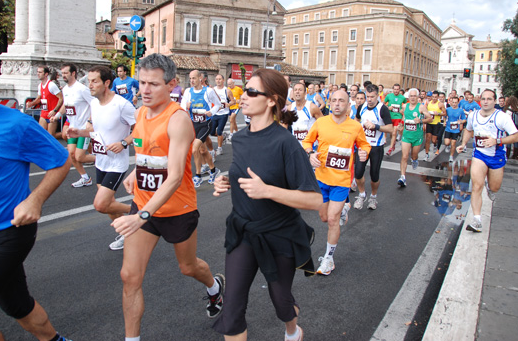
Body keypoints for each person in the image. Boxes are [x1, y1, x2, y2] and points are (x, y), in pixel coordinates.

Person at [0, 37, 72, 341]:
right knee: (16, 304)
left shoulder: (14, 124)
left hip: (10, 231)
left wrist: (35, 199)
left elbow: (60, 161)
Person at [111, 54, 225, 340]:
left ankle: (214, 286)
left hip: (176, 209)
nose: (145, 90)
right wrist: (136, 173)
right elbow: (148, 153)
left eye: (153, 84)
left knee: (188, 267)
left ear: (172, 84)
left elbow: (174, 176)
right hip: (144, 207)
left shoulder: (178, 120)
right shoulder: (140, 113)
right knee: (129, 277)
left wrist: (141, 215)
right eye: (142, 83)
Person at [211, 69, 321, 341]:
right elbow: (245, 170)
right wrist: (226, 179)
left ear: (272, 100)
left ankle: (293, 331)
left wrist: (267, 190)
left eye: (251, 92)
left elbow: (314, 199)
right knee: (232, 307)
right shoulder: (241, 138)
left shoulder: (286, 144)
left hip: (279, 234)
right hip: (243, 232)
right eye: (243, 90)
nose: (242, 96)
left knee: (281, 302)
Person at [67, 65, 136, 251]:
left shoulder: (122, 105)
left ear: (106, 83)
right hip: (101, 161)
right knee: (107, 206)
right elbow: (94, 131)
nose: (90, 85)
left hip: (116, 163)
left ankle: (138, 212)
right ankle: (127, 232)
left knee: (101, 204)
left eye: (94, 81)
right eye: (89, 81)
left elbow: (140, 131)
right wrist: (78, 131)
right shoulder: (94, 104)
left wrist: (123, 142)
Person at [302, 90, 371, 275]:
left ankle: (329, 259)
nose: (337, 104)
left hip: (341, 181)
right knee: (324, 218)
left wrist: (365, 152)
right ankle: (345, 207)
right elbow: (307, 142)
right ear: (329, 103)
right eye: (334, 101)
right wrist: (310, 154)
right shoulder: (321, 122)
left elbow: (364, 144)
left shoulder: (355, 126)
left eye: (341, 101)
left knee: (332, 219)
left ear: (349, 105)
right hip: (321, 179)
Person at [456, 90, 518, 232]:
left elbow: (516, 137)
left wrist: (497, 140)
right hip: (479, 154)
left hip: (497, 156)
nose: (485, 101)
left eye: (489, 99)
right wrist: (463, 143)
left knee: (495, 187)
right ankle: (477, 220)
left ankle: (490, 187)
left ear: (494, 101)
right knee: (476, 186)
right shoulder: (473, 115)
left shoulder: (502, 117)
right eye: (483, 99)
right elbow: (468, 130)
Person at [352, 84, 393, 211]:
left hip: (376, 146)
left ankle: (373, 197)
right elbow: (356, 119)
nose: (369, 99)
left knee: (374, 175)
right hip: (363, 146)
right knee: (358, 173)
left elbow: (390, 128)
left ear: (377, 96)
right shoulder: (362, 107)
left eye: (372, 97)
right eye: (367, 96)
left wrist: (376, 126)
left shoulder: (382, 109)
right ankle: (362, 194)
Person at [180, 70, 222, 187]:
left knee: (194, 149)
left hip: (205, 124)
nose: (192, 81)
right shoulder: (188, 91)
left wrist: (211, 112)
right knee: (202, 150)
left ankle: (198, 176)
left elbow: (218, 104)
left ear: (200, 78)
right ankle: (214, 171)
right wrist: (186, 107)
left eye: (194, 78)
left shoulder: (208, 91)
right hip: (193, 124)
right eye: (190, 78)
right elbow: (182, 107)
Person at [57, 63, 96, 187]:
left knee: (80, 157)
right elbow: (66, 105)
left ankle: (105, 159)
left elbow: (94, 104)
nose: (63, 75)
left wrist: (90, 121)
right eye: (62, 73)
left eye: (65, 73)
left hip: (83, 129)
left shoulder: (82, 89)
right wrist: (57, 115)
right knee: (71, 156)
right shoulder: (65, 89)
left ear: (73, 73)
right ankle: (85, 178)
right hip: (72, 128)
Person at [397, 89, 433, 187]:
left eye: (414, 96)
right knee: (404, 156)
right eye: (411, 96)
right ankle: (402, 177)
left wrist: (421, 121)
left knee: (414, 155)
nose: (412, 98)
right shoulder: (405, 106)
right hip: (406, 135)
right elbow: (404, 117)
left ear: (417, 97)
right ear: (408, 97)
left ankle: (414, 160)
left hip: (417, 136)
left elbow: (430, 118)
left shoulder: (421, 107)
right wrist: (401, 124)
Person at [27, 65, 64, 137]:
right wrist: (31, 104)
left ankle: (68, 133)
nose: (38, 74)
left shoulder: (51, 85)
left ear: (46, 74)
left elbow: (61, 98)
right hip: (44, 113)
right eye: (37, 72)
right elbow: (39, 98)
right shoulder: (40, 85)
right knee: (41, 134)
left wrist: (55, 110)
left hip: (52, 114)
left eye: (40, 72)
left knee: (51, 135)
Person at [212, 74, 236, 156]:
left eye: (219, 79)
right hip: (214, 113)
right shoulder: (213, 90)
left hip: (224, 114)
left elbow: (233, 101)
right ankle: (223, 136)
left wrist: (227, 104)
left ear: (223, 80)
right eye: (216, 79)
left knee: (219, 131)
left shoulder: (227, 90)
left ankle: (219, 148)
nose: (218, 81)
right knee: (211, 132)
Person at [384, 83, 406, 156]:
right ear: (393, 89)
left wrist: (403, 110)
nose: (396, 91)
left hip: (398, 117)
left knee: (394, 132)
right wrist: (388, 107)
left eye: (397, 89)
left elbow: (407, 106)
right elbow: (383, 104)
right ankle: (393, 144)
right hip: (390, 116)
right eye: (395, 89)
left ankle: (390, 149)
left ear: (399, 90)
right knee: (391, 133)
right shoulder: (389, 96)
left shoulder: (402, 97)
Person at [443, 95, 466, 163]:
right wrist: (444, 121)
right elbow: (444, 116)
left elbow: (464, 119)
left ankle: (451, 156)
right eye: (453, 102)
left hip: (455, 129)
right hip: (448, 128)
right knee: (447, 142)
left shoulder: (460, 110)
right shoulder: (447, 109)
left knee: (453, 143)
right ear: (450, 102)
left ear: (458, 103)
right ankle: (447, 146)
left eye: (456, 102)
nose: (454, 104)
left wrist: (461, 121)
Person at [424, 91, 447, 160]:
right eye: (433, 97)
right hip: (429, 123)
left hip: (436, 124)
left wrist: (438, 114)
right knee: (427, 139)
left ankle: (435, 145)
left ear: (438, 97)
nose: (434, 98)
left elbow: (445, 113)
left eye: (435, 97)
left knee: (434, 140)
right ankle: (426, 154)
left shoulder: (440, 104)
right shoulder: (428, 103)